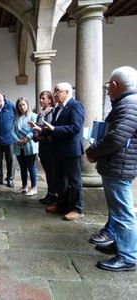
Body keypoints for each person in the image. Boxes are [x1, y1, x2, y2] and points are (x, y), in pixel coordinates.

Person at [86, 66, 137, 272]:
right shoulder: (129, 103)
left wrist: (93, 151)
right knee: (117, 211)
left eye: (109, 86)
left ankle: (129, 257)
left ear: (116, 86)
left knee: (123, 213)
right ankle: (120, 244)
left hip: (119, 166)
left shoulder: (129, 105)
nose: (108, 90)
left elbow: (116, 137)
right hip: (120, 165)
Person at [30, 82, 85, 221]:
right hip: (58, 150)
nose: (54, 93)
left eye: (57, 91)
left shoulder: (75, 106)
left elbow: (75, 128)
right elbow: (52, 127)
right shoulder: (58, 108)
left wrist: (54, 129)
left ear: (67, 92)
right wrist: (40, 129)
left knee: (75, 181)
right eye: (54, 91)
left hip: (71, 150)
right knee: (60, 180)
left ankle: (78, 209)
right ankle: (61, 204)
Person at [32, 91, 57, 204]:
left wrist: (41, 134)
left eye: (43, 98)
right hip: (42, 146)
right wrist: (35, 135)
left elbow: (51, 129)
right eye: (40, 98)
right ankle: (50, 192)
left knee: (52, 171)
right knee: (47, 171)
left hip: (50, 146)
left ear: (50, 100)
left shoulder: (52, 112)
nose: (41, 101)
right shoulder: (40, 113)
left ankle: (53, 194)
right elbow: (38, 128)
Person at [12, 97, 38, 195]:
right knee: (22, 167)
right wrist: (17, 140)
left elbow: (34, 130)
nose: (22, 107)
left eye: (23, 104)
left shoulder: (33, 116)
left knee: (31, 166)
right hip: (19, 146)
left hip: (29, 145)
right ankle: (24, 186)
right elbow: (12, 131)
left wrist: (26, 138)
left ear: (27, 105)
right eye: (20, 105)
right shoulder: (16, 118)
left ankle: (34, 187)